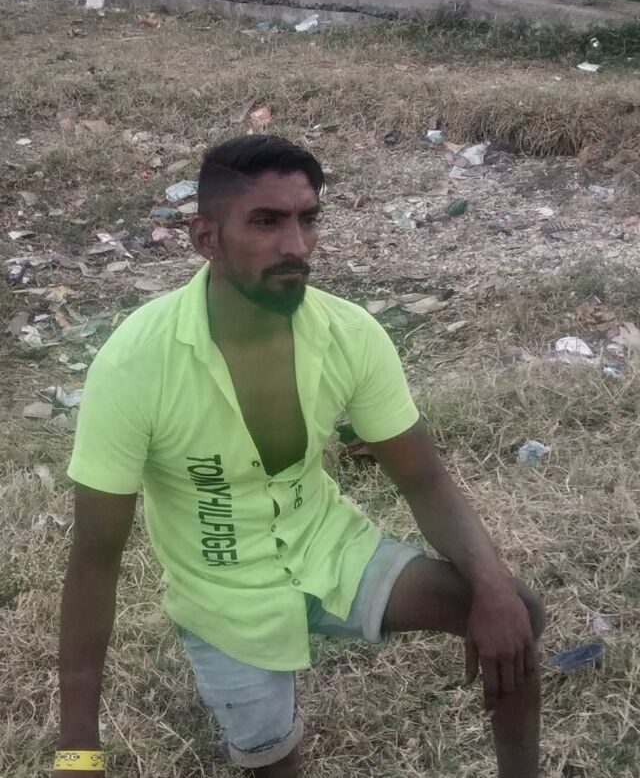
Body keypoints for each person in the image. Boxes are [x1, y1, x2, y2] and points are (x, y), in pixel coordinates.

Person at [53, 135, 545, 778]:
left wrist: (492, 586)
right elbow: (95, 559)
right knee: (275, 766)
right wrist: (78, 750)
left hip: (329, 548)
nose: (297, 246)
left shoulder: (349, 334)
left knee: (515, 612)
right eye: (267, 222)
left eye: (307, 219)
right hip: (223, 594)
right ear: (206, 237)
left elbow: (425, 480)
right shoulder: (135, 364)